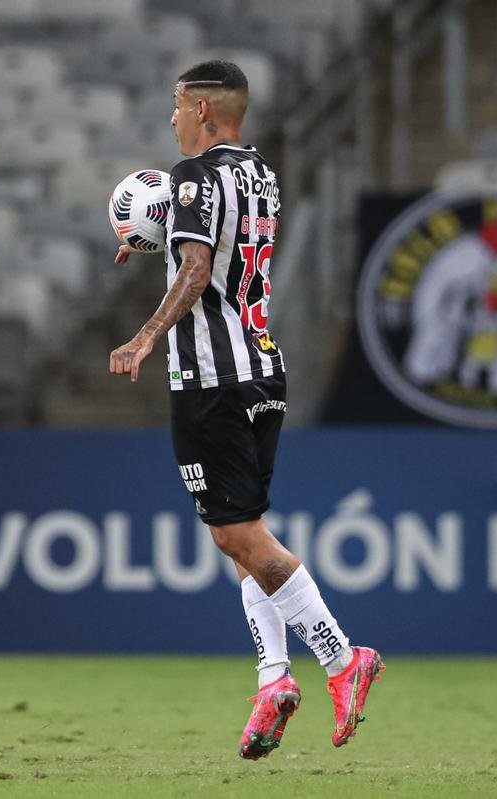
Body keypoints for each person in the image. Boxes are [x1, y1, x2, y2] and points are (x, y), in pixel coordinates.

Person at [108, 60, 383, 761]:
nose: (171, 120)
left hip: (214, 378)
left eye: (176, 106)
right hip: (261, 366)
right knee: (239, 532)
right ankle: (272, 676)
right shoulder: (259, 173)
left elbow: (200, 269)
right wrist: (156, 237)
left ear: (202, 110)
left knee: (240, 537)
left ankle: (342, 656)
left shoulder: (195, 174)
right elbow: (216, 255)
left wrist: (146, 334)